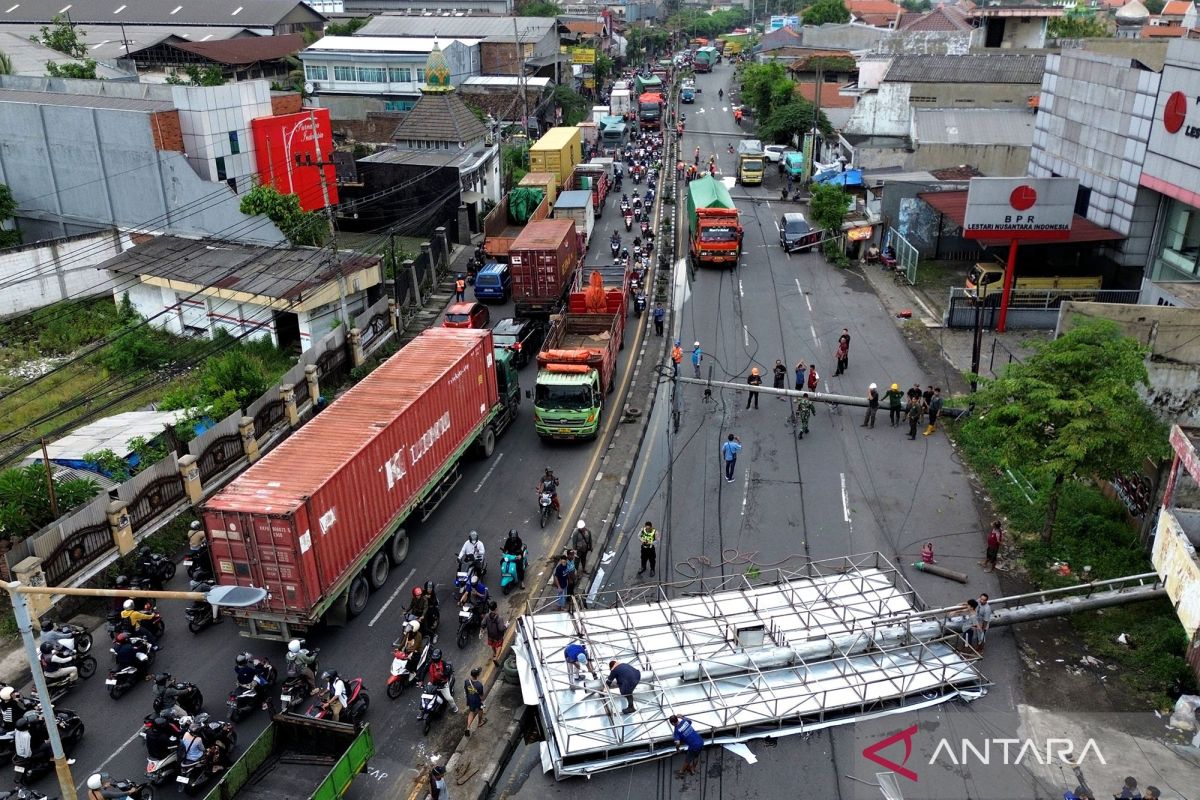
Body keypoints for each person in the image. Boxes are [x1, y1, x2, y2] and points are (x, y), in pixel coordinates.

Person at [463, 667, 487, 736]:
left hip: (470, 699)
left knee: (471, 712)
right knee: (480, 710)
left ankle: (468, 727)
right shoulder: (479, 685)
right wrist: (482, 702)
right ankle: (479, 722)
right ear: (477, 675)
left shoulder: (467, 681)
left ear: (471, 675)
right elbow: (481, 696)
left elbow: (466, 690)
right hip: (477, 700)